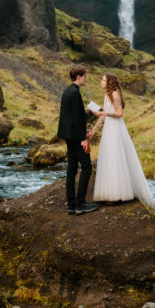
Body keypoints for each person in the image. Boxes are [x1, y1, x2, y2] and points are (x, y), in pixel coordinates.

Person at [90, 72, 155, 209]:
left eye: (103, 80)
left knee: (116, 158)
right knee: (108, 158)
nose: (101, 82)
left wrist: (104, 113)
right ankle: (107, 193)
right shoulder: (106, 95)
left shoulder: (115, 94)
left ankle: (118, 194)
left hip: (116, 129)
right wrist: (94, 129)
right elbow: (103, 117)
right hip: (108, 129)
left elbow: (119, 114)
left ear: (109, 83)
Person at [57, 64, 98, 215]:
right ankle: (80, 204)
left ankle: (71, 205)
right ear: (79, 77)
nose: (86, 79)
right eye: (85, 76)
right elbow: (76, 118)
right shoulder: (74, 93)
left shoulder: (68, 91)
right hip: (75, 137)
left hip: (68, 135)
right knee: (86, 166)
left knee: (72, 169)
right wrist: (83, 138)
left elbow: (72, 117)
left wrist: (82, 131)